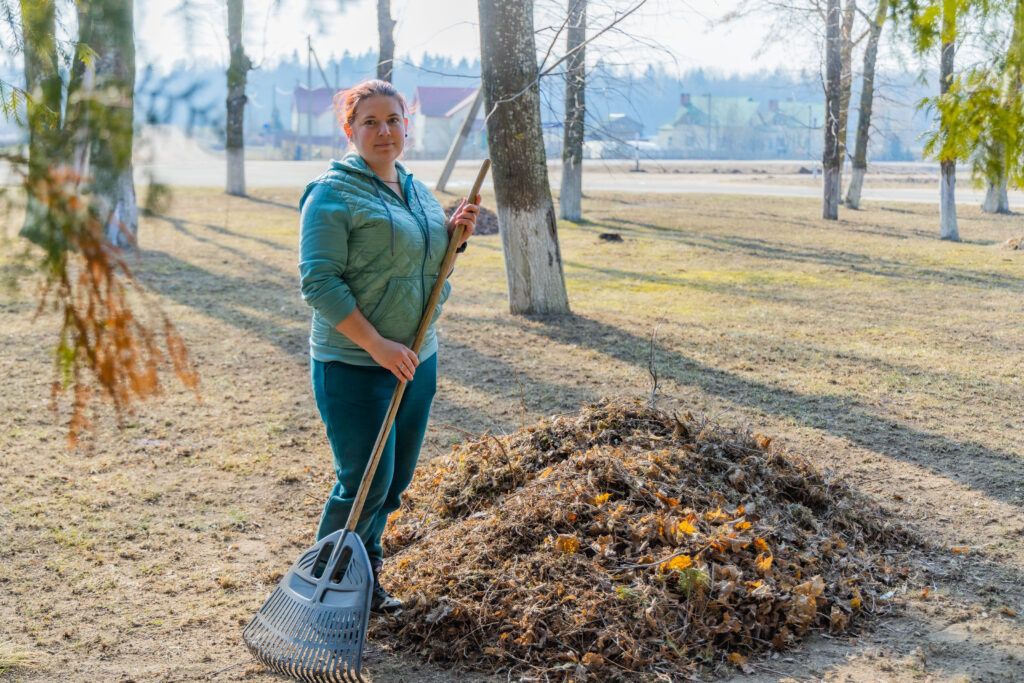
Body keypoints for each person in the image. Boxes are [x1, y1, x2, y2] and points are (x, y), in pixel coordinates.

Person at [297, 79, 480, 613]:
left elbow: (415, 261)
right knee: (363, 484)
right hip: (356, 363)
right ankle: (321, 589)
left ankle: (364, 579)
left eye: (394, 120)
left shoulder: (417, 190)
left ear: (408, 124)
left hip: (417, 359)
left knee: (394, 482)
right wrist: (377, 345)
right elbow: (319, 282)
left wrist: (451, 238)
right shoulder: (330, 193)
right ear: (349, 129)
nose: (384, 131)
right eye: (370, 121)